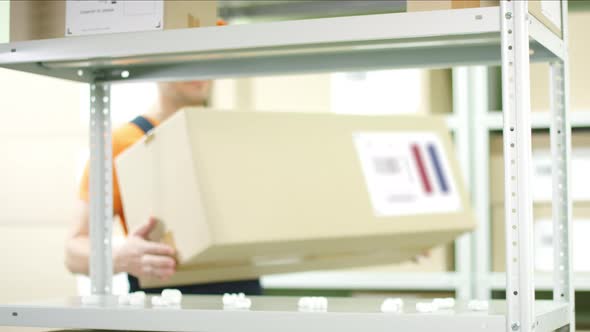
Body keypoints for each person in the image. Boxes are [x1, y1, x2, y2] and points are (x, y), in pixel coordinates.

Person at [65, 80, 262, 295]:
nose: (198, 71)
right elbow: (73, 252)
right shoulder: (121, 144)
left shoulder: (232, 137)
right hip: (164, 305)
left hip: (243, 299)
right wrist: (120, 257)